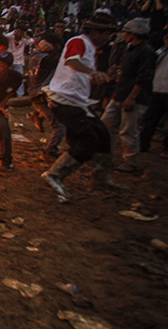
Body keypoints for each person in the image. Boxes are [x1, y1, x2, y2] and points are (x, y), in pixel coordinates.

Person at [40, 13, 119, 201]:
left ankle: (101, 178)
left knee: (102, 135)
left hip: (78, 102)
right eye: (106, 33)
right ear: (94, 31)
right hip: (65, 101)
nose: (108, 37)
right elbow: (71, 61)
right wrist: (93, 72)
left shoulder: (91, 49)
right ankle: (55, 175)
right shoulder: (79, 41)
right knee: (87, 141)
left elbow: (84, 75)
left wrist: (105, 75)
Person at [101, 18, 156, 174]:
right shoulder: (130, 48)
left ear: (134, 34)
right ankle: (106, 157)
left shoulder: (146, 51)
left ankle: (131, 162)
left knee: (128, 130)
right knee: (106, 123)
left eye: (126, 32)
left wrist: (132, 97)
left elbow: (144, 77)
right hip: (120, 93)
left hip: (134, 97)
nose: (124, 35)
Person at [27, 33, 66, 160]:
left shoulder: (37, 55)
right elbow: (60, 61)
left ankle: (37, 115)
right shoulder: (46, 59)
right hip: (41, 96)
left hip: (40, 95)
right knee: (59, 125)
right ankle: (50, 151)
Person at [139, 29, 168, 157]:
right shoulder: (161, 51)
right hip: (157, 89)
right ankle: (143, 144)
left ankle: (166, 148)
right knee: (149, 118)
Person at [5, 26, 33, 95]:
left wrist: (26, 35)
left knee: (20, 79)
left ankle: (20, 95)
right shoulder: (10, 38)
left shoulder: (24, 41)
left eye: (20, 32)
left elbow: (32, 41)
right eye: (17, 31)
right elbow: (6, 36)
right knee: (7, 78)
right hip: (9, 61)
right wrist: (14, 32)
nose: (18, 33)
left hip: (19, 62)